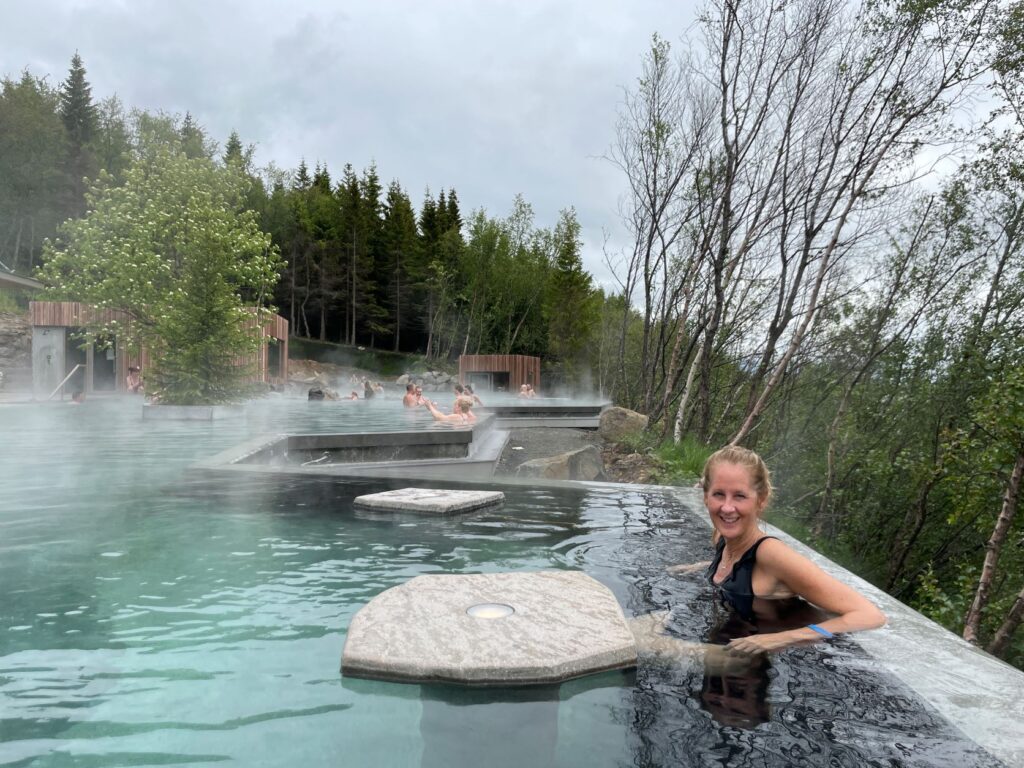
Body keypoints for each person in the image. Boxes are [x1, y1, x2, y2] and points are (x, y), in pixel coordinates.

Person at [669, 445, 886, 654]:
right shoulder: (722, 538)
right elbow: (741, 567)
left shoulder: (771, 554)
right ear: (706, 497)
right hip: (728, 646)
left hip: (751, 662)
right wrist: (702, 566)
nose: (727, 507)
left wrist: (781, 639)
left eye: (740, 496)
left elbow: (869, 615)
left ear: (761, 501)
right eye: (718, 494)